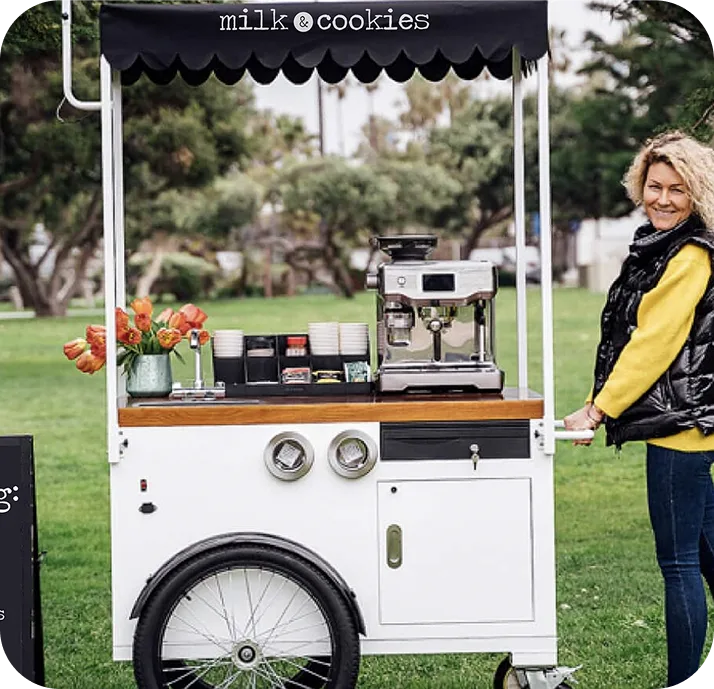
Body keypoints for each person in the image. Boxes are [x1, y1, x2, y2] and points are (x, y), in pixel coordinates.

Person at [564, 131, 714, 688]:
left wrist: (598, 411)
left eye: (679, 189)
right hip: (688, 422)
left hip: (682, 429)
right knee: (706, 554)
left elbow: (655, 343)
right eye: (655, 186)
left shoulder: (691, 253)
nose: (664, 199)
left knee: (678, 565)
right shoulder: (658, 243)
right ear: (639, 186)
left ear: (697, 193)